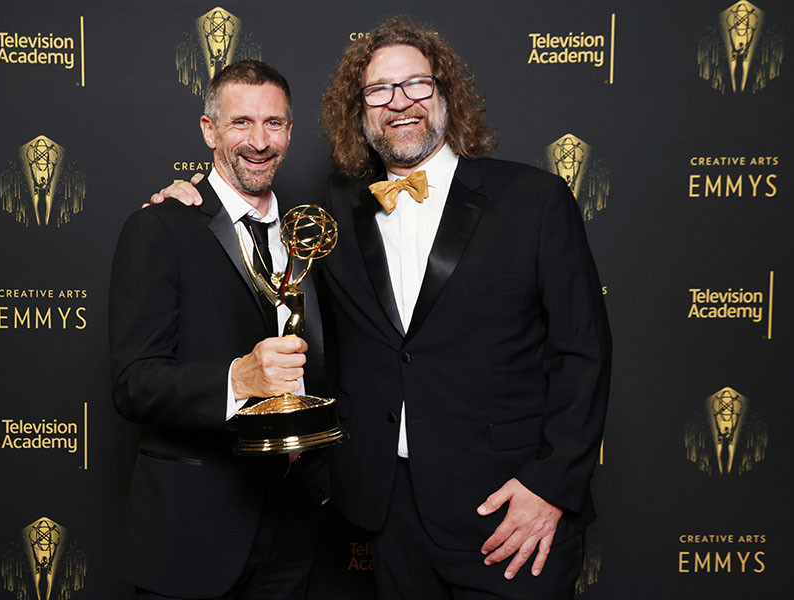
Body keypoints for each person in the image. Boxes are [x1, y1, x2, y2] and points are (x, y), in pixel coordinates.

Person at [151, 16, 611, 600]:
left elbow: (583, 353)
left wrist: (551, 488)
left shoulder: (533, 200)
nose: (400, 103)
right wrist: (189, 201)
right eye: (379, 91)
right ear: (360, 110)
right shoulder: (334, 213)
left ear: (444, 92)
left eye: (416, 84)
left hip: (509, 514)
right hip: (389, 518)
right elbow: (250, 230)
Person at [109, 60, 325, 600]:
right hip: (193, 533)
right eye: (240, 123)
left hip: (291, 527)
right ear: (209, 130)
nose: (258, 141)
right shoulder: (158, 228)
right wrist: (238, 379)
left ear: (290, 131)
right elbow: (134, 382)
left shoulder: (308, 238)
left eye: (273, 123)